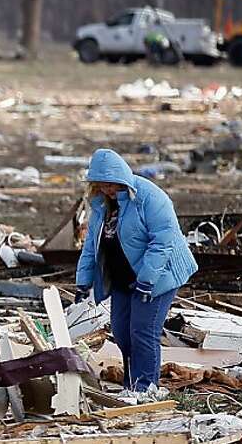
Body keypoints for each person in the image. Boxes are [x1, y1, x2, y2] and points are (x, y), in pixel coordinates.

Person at [74, 148, 197, 395]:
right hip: (122, 277)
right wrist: (83, 280)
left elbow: (163, 241)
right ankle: (131, 385)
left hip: (159, 275)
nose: (109, 190)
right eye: (103, 185)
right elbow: (92, 245)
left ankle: (145, 388)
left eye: (112, 185)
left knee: (143, 330)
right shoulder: (101, 206)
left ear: (122, 178)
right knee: (121, 332)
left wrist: (147, 280)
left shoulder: (150, 198)